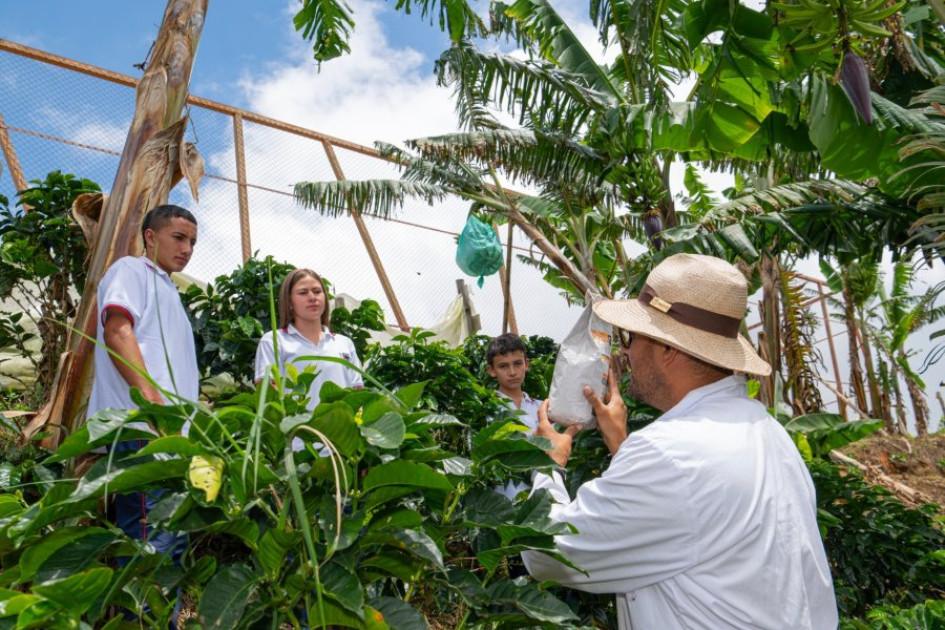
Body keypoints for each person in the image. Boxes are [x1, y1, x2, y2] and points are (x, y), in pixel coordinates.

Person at [521, 253, 838, 629]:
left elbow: (549, 553)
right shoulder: (767, 431)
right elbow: (688, 516)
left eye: (632, 337)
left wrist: (546, 463)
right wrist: (623, 447)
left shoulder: (668, 454)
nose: (625, 352)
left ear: (668, 349)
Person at [87, 204, 199, 628]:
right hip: (144, 432)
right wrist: (153, 405)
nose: (187, 249)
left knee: (165, 553)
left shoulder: (167, 288)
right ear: (150, 237)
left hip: (171, 440)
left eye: (192, 242)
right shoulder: (131, 270)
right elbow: (118, 330)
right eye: (178, 238)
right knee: (148, 549)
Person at [254, 268, 363, 451]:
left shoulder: (344, 344)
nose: (312, 297)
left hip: (343, 449)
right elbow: (267, 396)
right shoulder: (274, 341)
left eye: (317, 291)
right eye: (303, 293)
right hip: (297, 450)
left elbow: (359, 397)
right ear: (289, 302)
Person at [486, 333, 542, 499]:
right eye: (503, 366)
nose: (512, 372)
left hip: (543, 495)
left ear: (526, 364)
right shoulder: (487, 409)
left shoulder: (543, 407)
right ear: (491, 370)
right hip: (505, 500)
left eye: (517, 364)